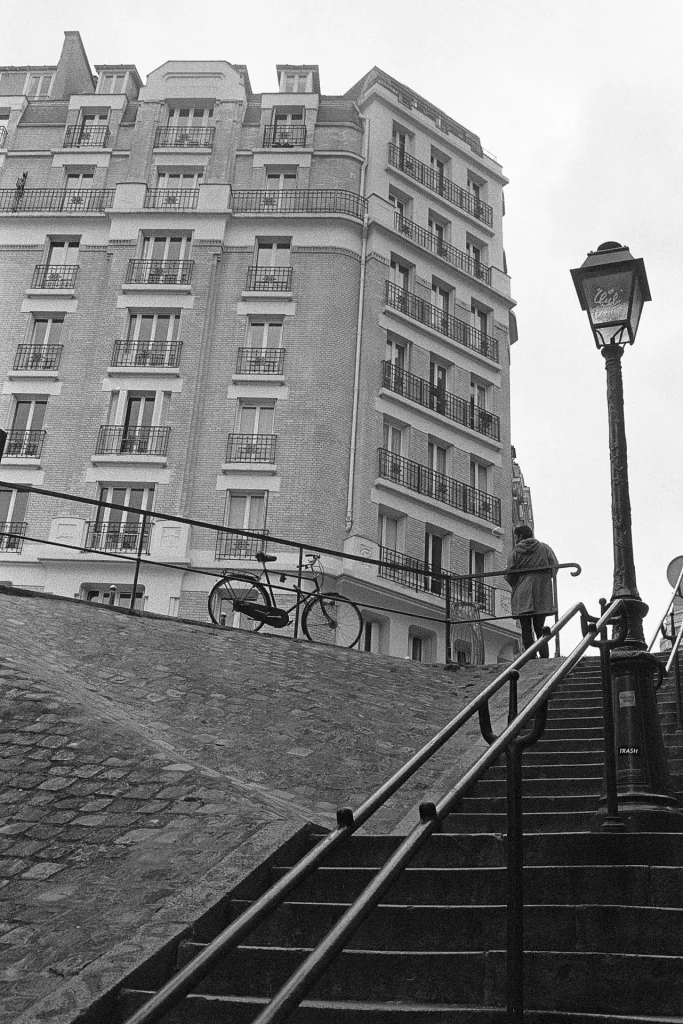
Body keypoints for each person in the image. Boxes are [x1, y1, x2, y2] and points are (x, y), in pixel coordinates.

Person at [505, 524, 558, 657]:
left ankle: (530, 656)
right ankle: (544, 655)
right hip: (541, 591)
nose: (516, 539)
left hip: (523, 592)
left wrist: (518, 583)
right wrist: (544, 578)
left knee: (526, 627)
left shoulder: (516, 552)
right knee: (540, 626)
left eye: (516, 536)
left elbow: (509, 574)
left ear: (521, 536)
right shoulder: (544, 548)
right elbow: (555, 566)